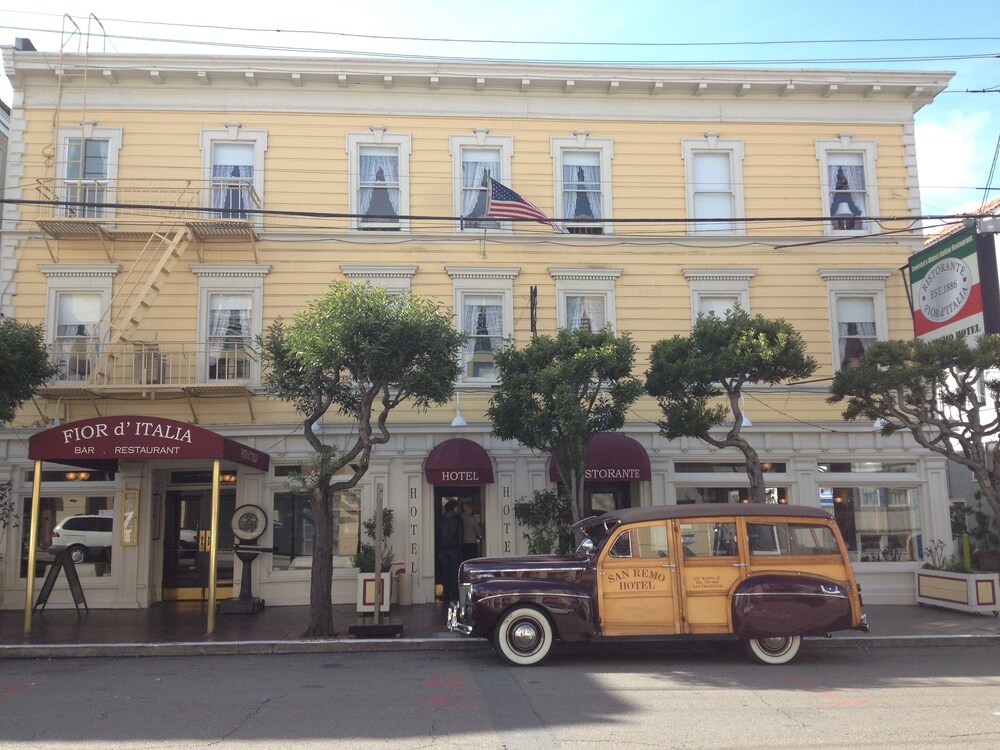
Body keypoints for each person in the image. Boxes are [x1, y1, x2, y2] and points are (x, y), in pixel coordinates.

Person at [438, 500, 463, 602]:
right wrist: (460, 548)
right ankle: (454, 595)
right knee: (454, 572)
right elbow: (461, 536)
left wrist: (439, 549)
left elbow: (439, 536)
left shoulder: (441, 519)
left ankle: (446, 594)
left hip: (444, 549)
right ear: (454, 508)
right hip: (455, 549)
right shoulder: (458, 519)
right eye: (456, 507)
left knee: (445, 572)